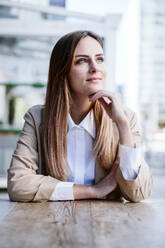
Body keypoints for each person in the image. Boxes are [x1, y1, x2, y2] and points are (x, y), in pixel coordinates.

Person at [7, 30, 153, 202]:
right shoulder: (38, 118)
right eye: (82, 61)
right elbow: (18, 184)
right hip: (51, 225)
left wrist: (122, 125)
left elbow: (138, 194)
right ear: (63, 71)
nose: (95, 68)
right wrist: (93, 191)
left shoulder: (125, 118)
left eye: (99, 59)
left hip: (107, 226)